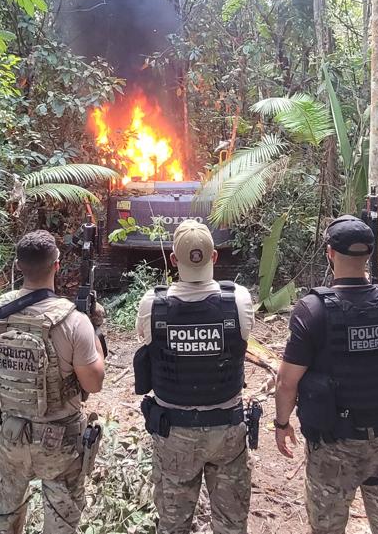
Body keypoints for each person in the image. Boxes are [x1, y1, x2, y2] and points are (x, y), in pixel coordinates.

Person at [274, 215, 378, 534]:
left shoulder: (312, 309)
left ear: (329, 253)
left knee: (326, 527)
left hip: (334, 444)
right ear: (369, 254)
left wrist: (281, 424)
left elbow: (287, 381)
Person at [0, 229, 106, 534]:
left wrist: (1, 412)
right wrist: (97, 332)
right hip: (61, 440)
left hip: (11, 433)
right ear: (57, 265)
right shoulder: (73, 321)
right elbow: (94, 382)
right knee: (61, 516)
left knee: (6, 510)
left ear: (19, 266)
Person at [133, 220, 256, 534]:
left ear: (174, 260)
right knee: (231, 525)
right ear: (214, 257)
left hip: (174, 432)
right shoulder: (238, 300)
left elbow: (146, 343)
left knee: (173, 524)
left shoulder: (152, 305)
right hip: (226, 430)